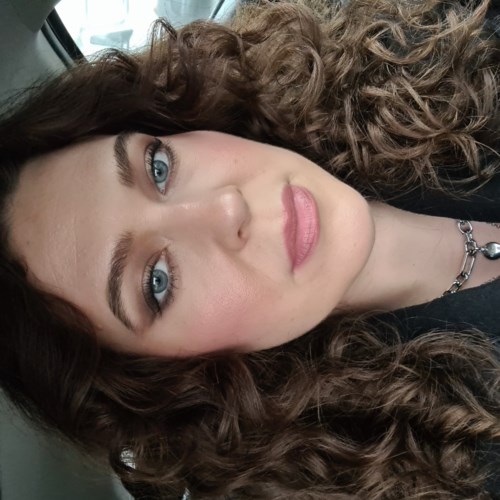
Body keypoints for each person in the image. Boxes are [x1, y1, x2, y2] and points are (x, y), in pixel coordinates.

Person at [1, 0, 499, 498]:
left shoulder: (436, 42)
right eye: (157, 282)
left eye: (158, 167)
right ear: (165, 380)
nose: (225, 208)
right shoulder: (442, 470)